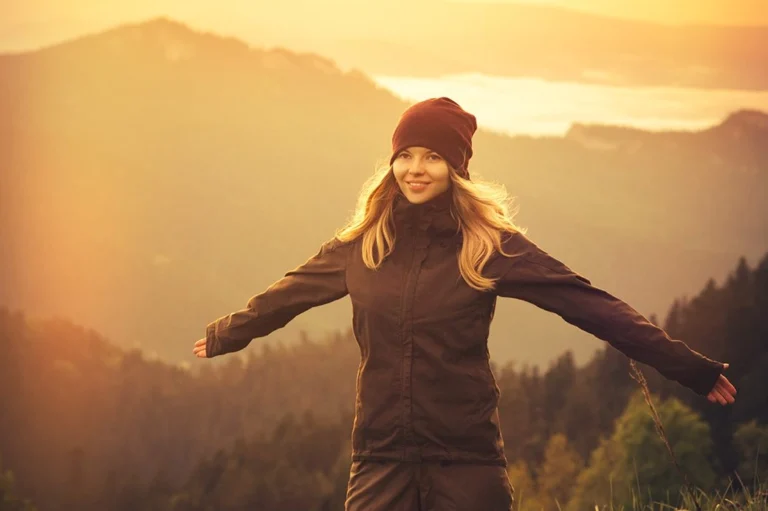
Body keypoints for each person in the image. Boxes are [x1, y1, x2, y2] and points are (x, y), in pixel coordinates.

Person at [192, 97, 737, 510]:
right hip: (381, 457)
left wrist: (687, 367)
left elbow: (588, 304)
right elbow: (288, 294)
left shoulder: (488, 246)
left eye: (432, 156)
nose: (416, 169)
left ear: (457, 167)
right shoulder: (363, 246)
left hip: (467, 461)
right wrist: (225, 334)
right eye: (405, 155)